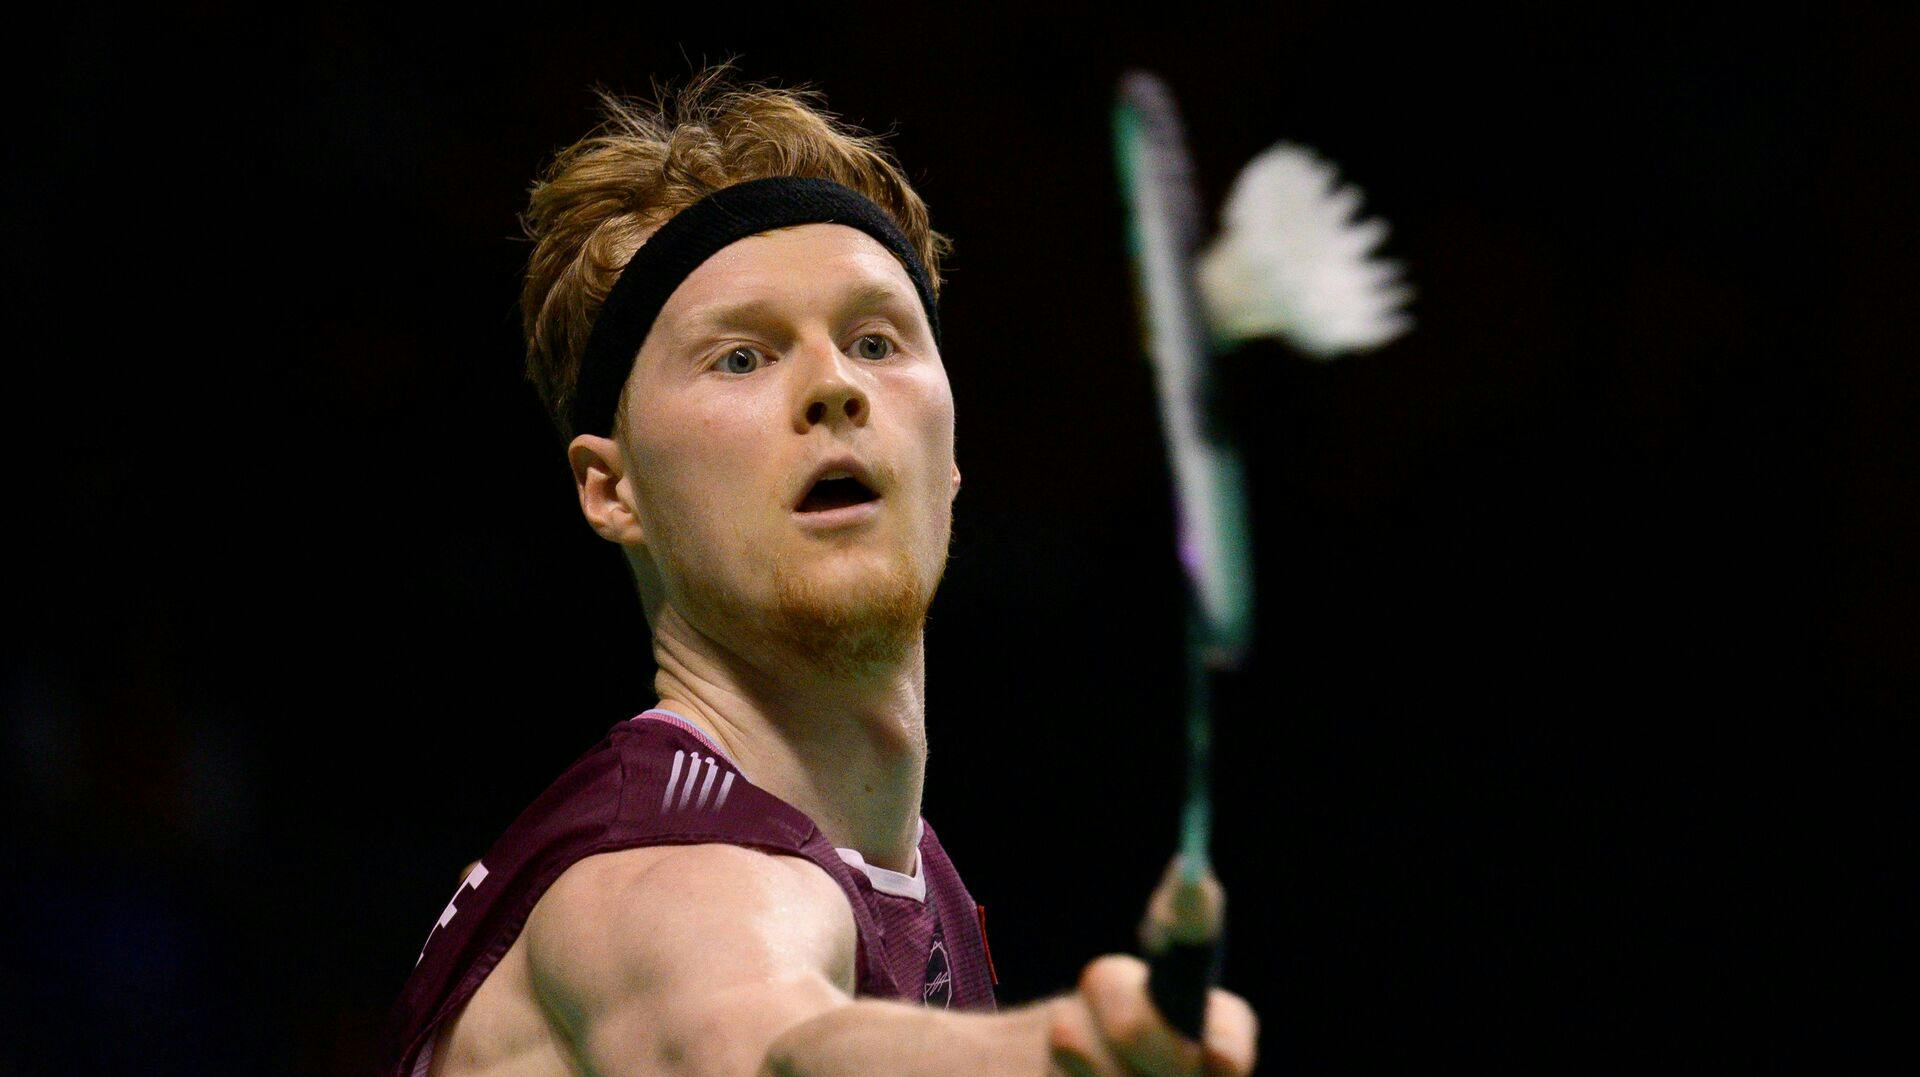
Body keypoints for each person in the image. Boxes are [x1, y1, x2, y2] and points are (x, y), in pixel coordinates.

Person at [384, 67, 1258, 1076]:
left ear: (955, 454)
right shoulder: (655, 874)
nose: (835, 387)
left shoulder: (910, 880)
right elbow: (769, 1049)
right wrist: (1056, 1054)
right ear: (610, 491)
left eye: (876, 340)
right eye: (742, 358)